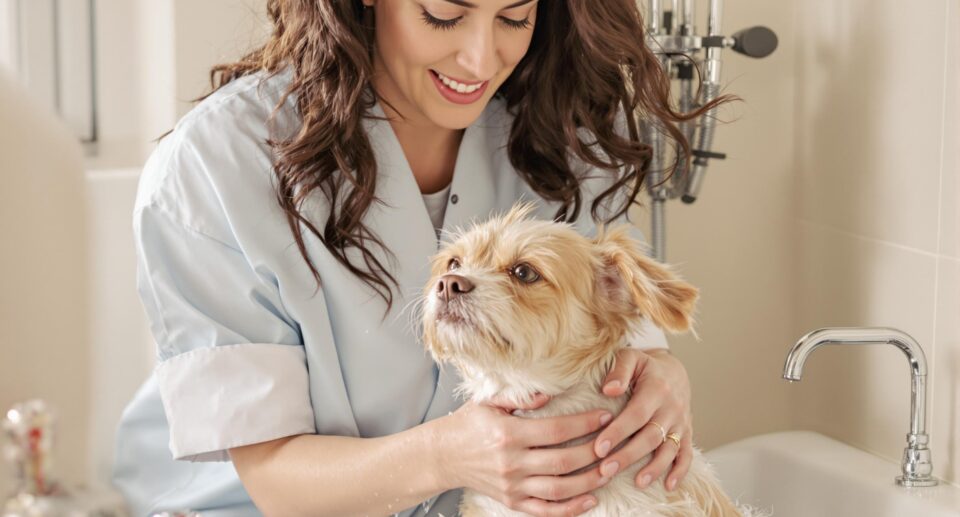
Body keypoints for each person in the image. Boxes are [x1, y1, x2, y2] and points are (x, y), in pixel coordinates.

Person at [112, 0, 729, 515]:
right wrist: (446, 457)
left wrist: (661, 377)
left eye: (514, 18)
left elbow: (624, 329)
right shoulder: (219, 164)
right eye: (441, 15)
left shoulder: (560, 127)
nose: (480, 59)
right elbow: (271, 476)